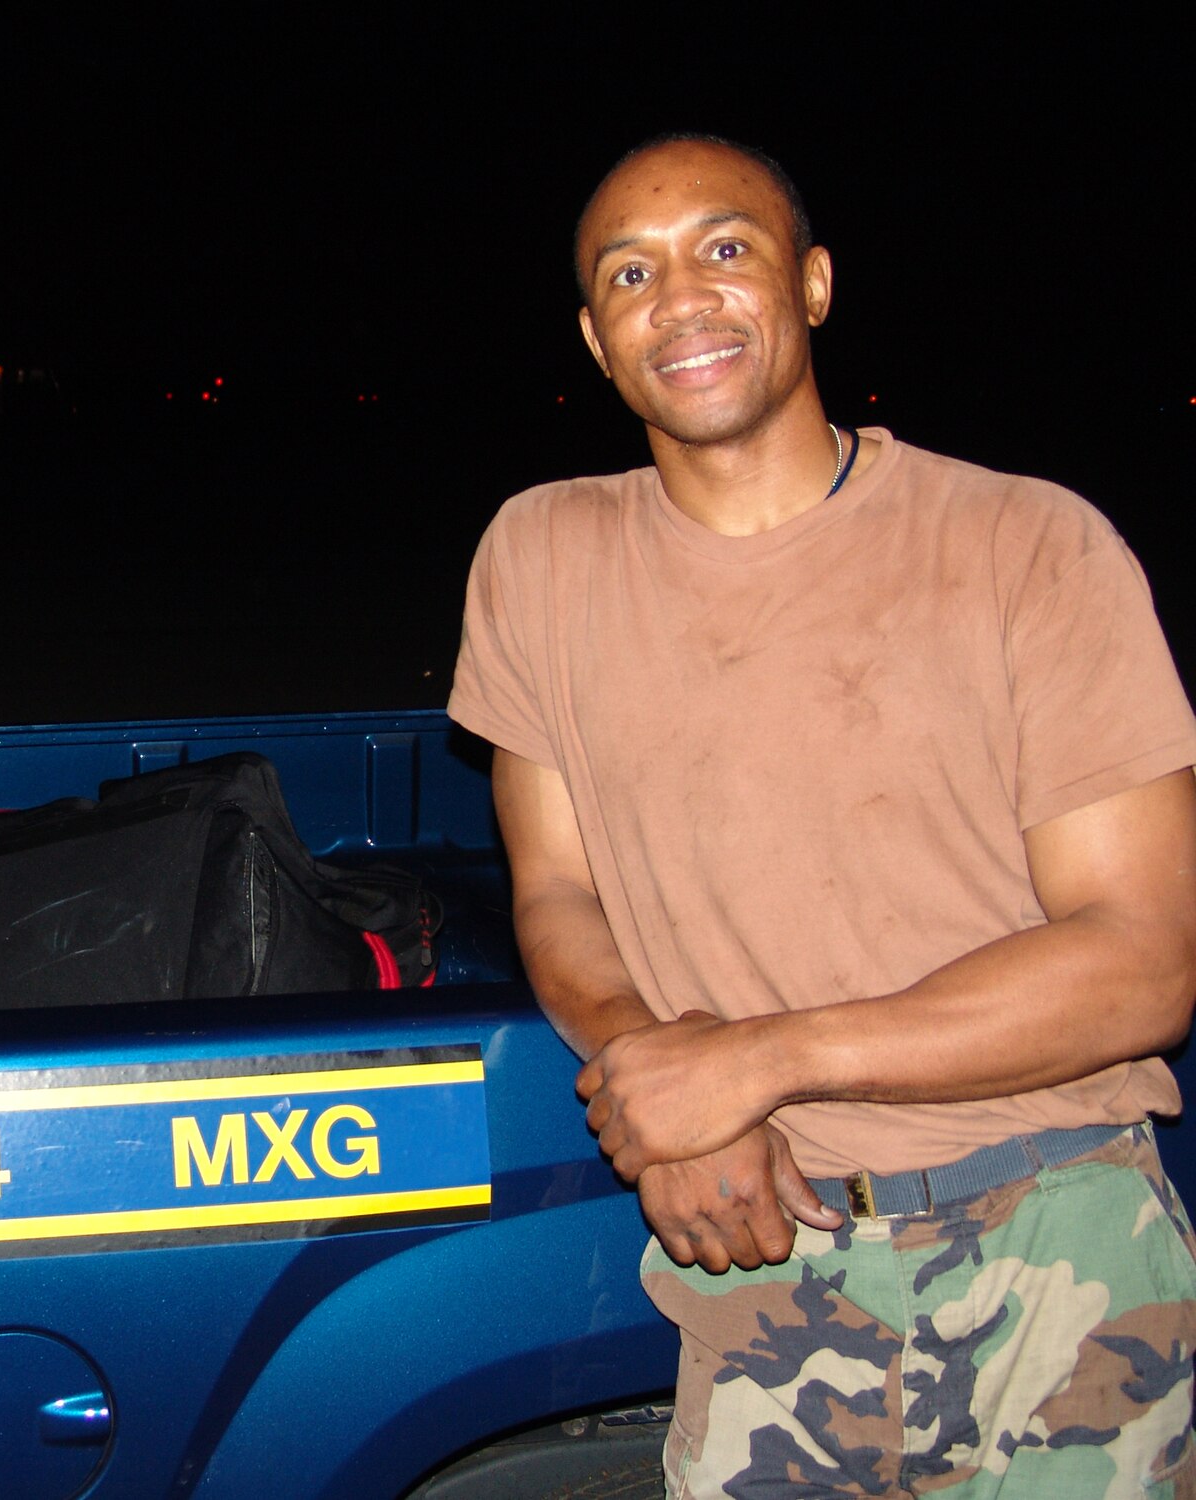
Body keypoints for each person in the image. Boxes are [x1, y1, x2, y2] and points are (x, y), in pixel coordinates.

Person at [450, 135, 1196, 1497]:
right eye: (630, 274)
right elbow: (555, 888)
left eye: (724, 249)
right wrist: (663, 1082)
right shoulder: (540, 558)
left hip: (1060, 1246)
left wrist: (755, 1063)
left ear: (812, 283)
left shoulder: (1028, 545)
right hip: (765, 1270)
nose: (679, 298)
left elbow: (1141, 963)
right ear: (596, 341)